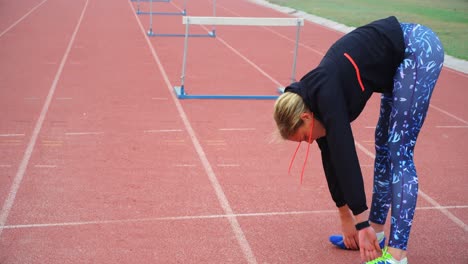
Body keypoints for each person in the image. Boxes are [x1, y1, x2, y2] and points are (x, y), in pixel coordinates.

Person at [273, 16, 444, 263]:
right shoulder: (314, 100)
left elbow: (345, 154)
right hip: (396, 65)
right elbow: (331, 158)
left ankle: (397, 255)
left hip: (416, 49)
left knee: (398, 150)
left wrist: (360, 222)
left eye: (303, 138)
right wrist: (346, 217)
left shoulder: (326, 92)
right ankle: (377, 233)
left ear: (306, 117)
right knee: (383, 149)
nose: (308, 142)